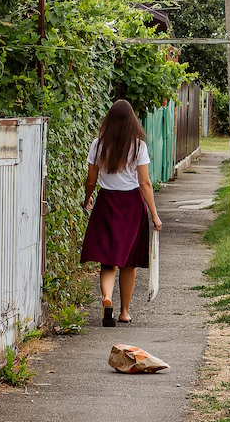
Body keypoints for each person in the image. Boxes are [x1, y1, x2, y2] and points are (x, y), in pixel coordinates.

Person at [80, 99, 163, 326]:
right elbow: (145, 183)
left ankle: (107, 297)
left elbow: (91, 179)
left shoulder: (98, 145)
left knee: (108, 261)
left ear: (109, 120)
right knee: (129, 261)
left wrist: (87, 198)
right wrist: (154, 215)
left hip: (106, 202)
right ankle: (125, 312)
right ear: (131, 122)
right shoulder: (139, 147)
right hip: (132, 205)